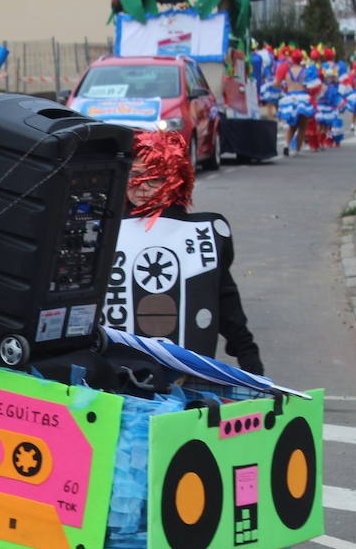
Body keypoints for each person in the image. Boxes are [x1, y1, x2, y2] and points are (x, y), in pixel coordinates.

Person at [105, 130, 263, 375]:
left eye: (154, 179)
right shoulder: (104, 230)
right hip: (117, 375)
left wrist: (251, 365)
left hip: (185, 379)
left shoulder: (204, 233)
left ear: (175, 180)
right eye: (134, 176)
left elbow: (226, 302)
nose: (142, 187)